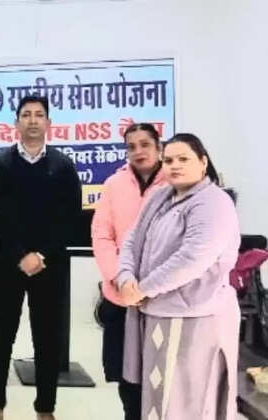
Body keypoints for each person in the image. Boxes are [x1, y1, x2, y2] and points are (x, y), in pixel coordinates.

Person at [118, 133, 240, 420]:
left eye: (183, 159)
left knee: (188, 405)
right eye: (169, 160)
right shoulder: (161, 196)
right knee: (158, 400)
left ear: (203, 162)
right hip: (157, 312)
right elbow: (132, 239)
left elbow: (193, 258)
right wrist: (126, 278)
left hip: (196, 318)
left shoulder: (214, 202)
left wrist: (143, 289)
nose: (174, 165)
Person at [0, 96, 81, 420]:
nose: (33, 120)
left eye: (39, 115)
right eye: (26, 115)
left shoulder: (63, 166)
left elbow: (70, 219)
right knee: (2, 336)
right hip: (8, 263)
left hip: (50, 266)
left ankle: (45, 409)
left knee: (47, 340)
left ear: (49, 123)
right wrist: (20, 255)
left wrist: (42, 254)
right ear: (16, 123)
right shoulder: (0, 164)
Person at [91, 123, 167, 420]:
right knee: (126, 376)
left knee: (160, 374)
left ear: (159, 147)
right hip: (120, 295)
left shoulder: (174, 182)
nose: (138, 151)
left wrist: (150, 285)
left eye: (145, 144)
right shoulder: (114, 184)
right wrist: (117, 278)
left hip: (160, 296)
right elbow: (102, 235)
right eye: (131, 146)